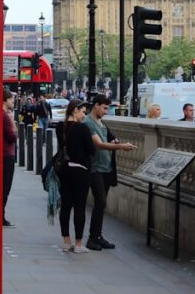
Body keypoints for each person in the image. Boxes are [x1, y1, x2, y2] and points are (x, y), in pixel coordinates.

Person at [84, 94, 137, 251]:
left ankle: (97, 236)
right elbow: (99, 144)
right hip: (95, 168)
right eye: (104, 108)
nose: (106, 111)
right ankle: (92, 238)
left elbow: (108, 139)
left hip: (105, 167)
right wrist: (121, 146)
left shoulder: (101, 123)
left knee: (101, 204)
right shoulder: (88, 123)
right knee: (100, 201)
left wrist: (115, 142)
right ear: (96, 105)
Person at [56, 99, 91, 252]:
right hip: (80, 170)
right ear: (75, 110)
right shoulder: (82, 128)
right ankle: (78, 244)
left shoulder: (60, 127)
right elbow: (91, 150)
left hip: (64, 170)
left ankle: (66, 242)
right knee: (79, 207)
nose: (84, 116)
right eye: (83, 112)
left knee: (66, 206)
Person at [2, 87, 18, 227]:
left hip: (2, 154)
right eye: (11, 99)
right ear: (5, 100)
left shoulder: (0, 115)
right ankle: (1, 215)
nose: (12, 101)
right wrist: (13, 122)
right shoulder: (6, 117)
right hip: (7, 156)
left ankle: (0, 214)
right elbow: (13, 137)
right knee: (5, 188)